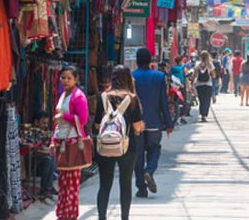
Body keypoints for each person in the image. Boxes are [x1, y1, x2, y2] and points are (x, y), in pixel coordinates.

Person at [94, 65, 145, 220]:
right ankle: (124, 217)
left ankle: (102, 217)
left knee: (104, 185)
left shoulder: (103, 97)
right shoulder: (132, 98)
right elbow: (137, 126)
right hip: (127, 147)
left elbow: (97, 124)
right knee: (125, 183)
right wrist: (138, 129)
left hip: (105, 146)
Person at [132, 49, 172, 198]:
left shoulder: (131, 77)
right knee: (154, 149)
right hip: (154, 122)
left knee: (138, 155)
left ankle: (141, 188)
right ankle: (149, 171)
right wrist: (168, 123)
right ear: (150, 61)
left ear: (137, 60)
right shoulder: (159, 76)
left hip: (136, 124)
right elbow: (163, 102)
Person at [52, 67, 89, 220]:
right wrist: (53, 141)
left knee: (72, 182)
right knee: (62, 181)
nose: (65, 81)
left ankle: (71, 214)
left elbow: (83, 120)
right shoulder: (62, 95)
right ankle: (62, 214)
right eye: (63, 78)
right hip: (61, 143)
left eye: (69, 78)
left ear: (76, 79)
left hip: (72, 143)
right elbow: (58, 123)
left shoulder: (79, 97)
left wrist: (65, 116)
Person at [194, 51, 216, 122]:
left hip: (199, 85)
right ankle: (204, 115)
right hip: (208, 84)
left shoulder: (197, 64)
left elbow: (194, 75)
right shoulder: (210, 64)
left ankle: (202, 114)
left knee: (201, 100)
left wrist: (192, 83)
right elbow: (213, 75)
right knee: (207, 100)